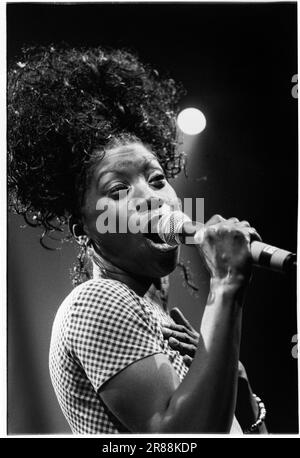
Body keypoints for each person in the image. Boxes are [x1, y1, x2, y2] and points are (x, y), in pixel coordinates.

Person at [8, 45, 267, 434]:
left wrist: (240, 393)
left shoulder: (155, 315)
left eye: (158, 179)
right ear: (85, 228)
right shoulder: (96, 302)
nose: (150, 197)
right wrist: (226, 288)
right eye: (117, 190)